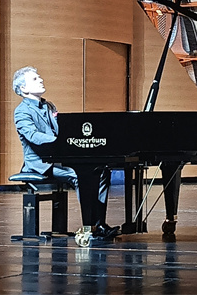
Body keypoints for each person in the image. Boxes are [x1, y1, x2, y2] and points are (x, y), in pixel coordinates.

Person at [12, 66, 119, 240]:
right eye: (35, 79)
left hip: (58, 158)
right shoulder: (22, 111)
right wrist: (59, 141)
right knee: (79, 176)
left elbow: (62, 129)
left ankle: (99, 224)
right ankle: (89, 227)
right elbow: (32, 135)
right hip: (40, 163)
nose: (41, 80)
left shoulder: (48, 105)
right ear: (23, 88)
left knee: (101, 171)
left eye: (39, 77)